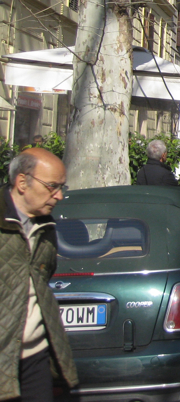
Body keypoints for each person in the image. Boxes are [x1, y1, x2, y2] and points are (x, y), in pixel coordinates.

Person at [1, 149, 77, 402]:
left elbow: (41, 279)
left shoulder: (46, 226)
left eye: (61, 187)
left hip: (36, 355)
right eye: (52, 186)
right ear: (22, 182)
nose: (59, 196)